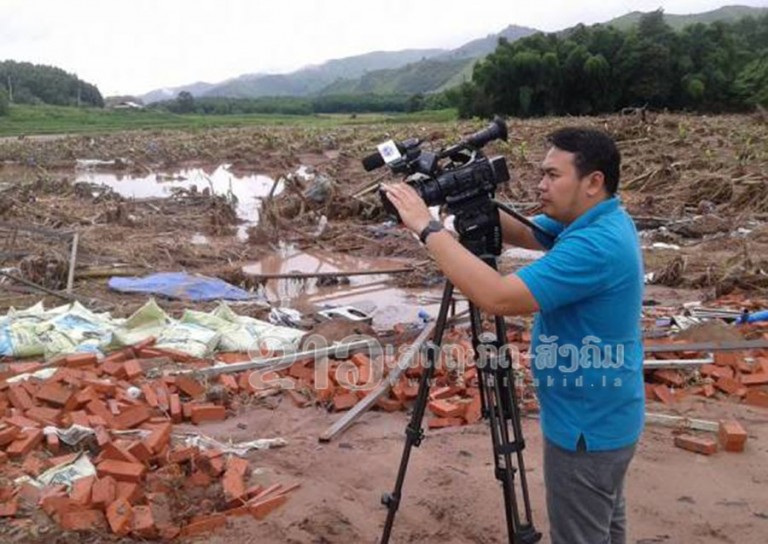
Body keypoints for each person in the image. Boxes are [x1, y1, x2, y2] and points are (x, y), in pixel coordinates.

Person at [382, 127, 644, 544]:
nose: (541, 185)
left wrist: (426, 228)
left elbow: (498, 297)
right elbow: (528, 231)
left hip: (585, 431)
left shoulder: (595, 246)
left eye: (553, 176)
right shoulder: (601, 218)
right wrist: (466, 197)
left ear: (594, 182)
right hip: (607, 416)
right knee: (604, 527)